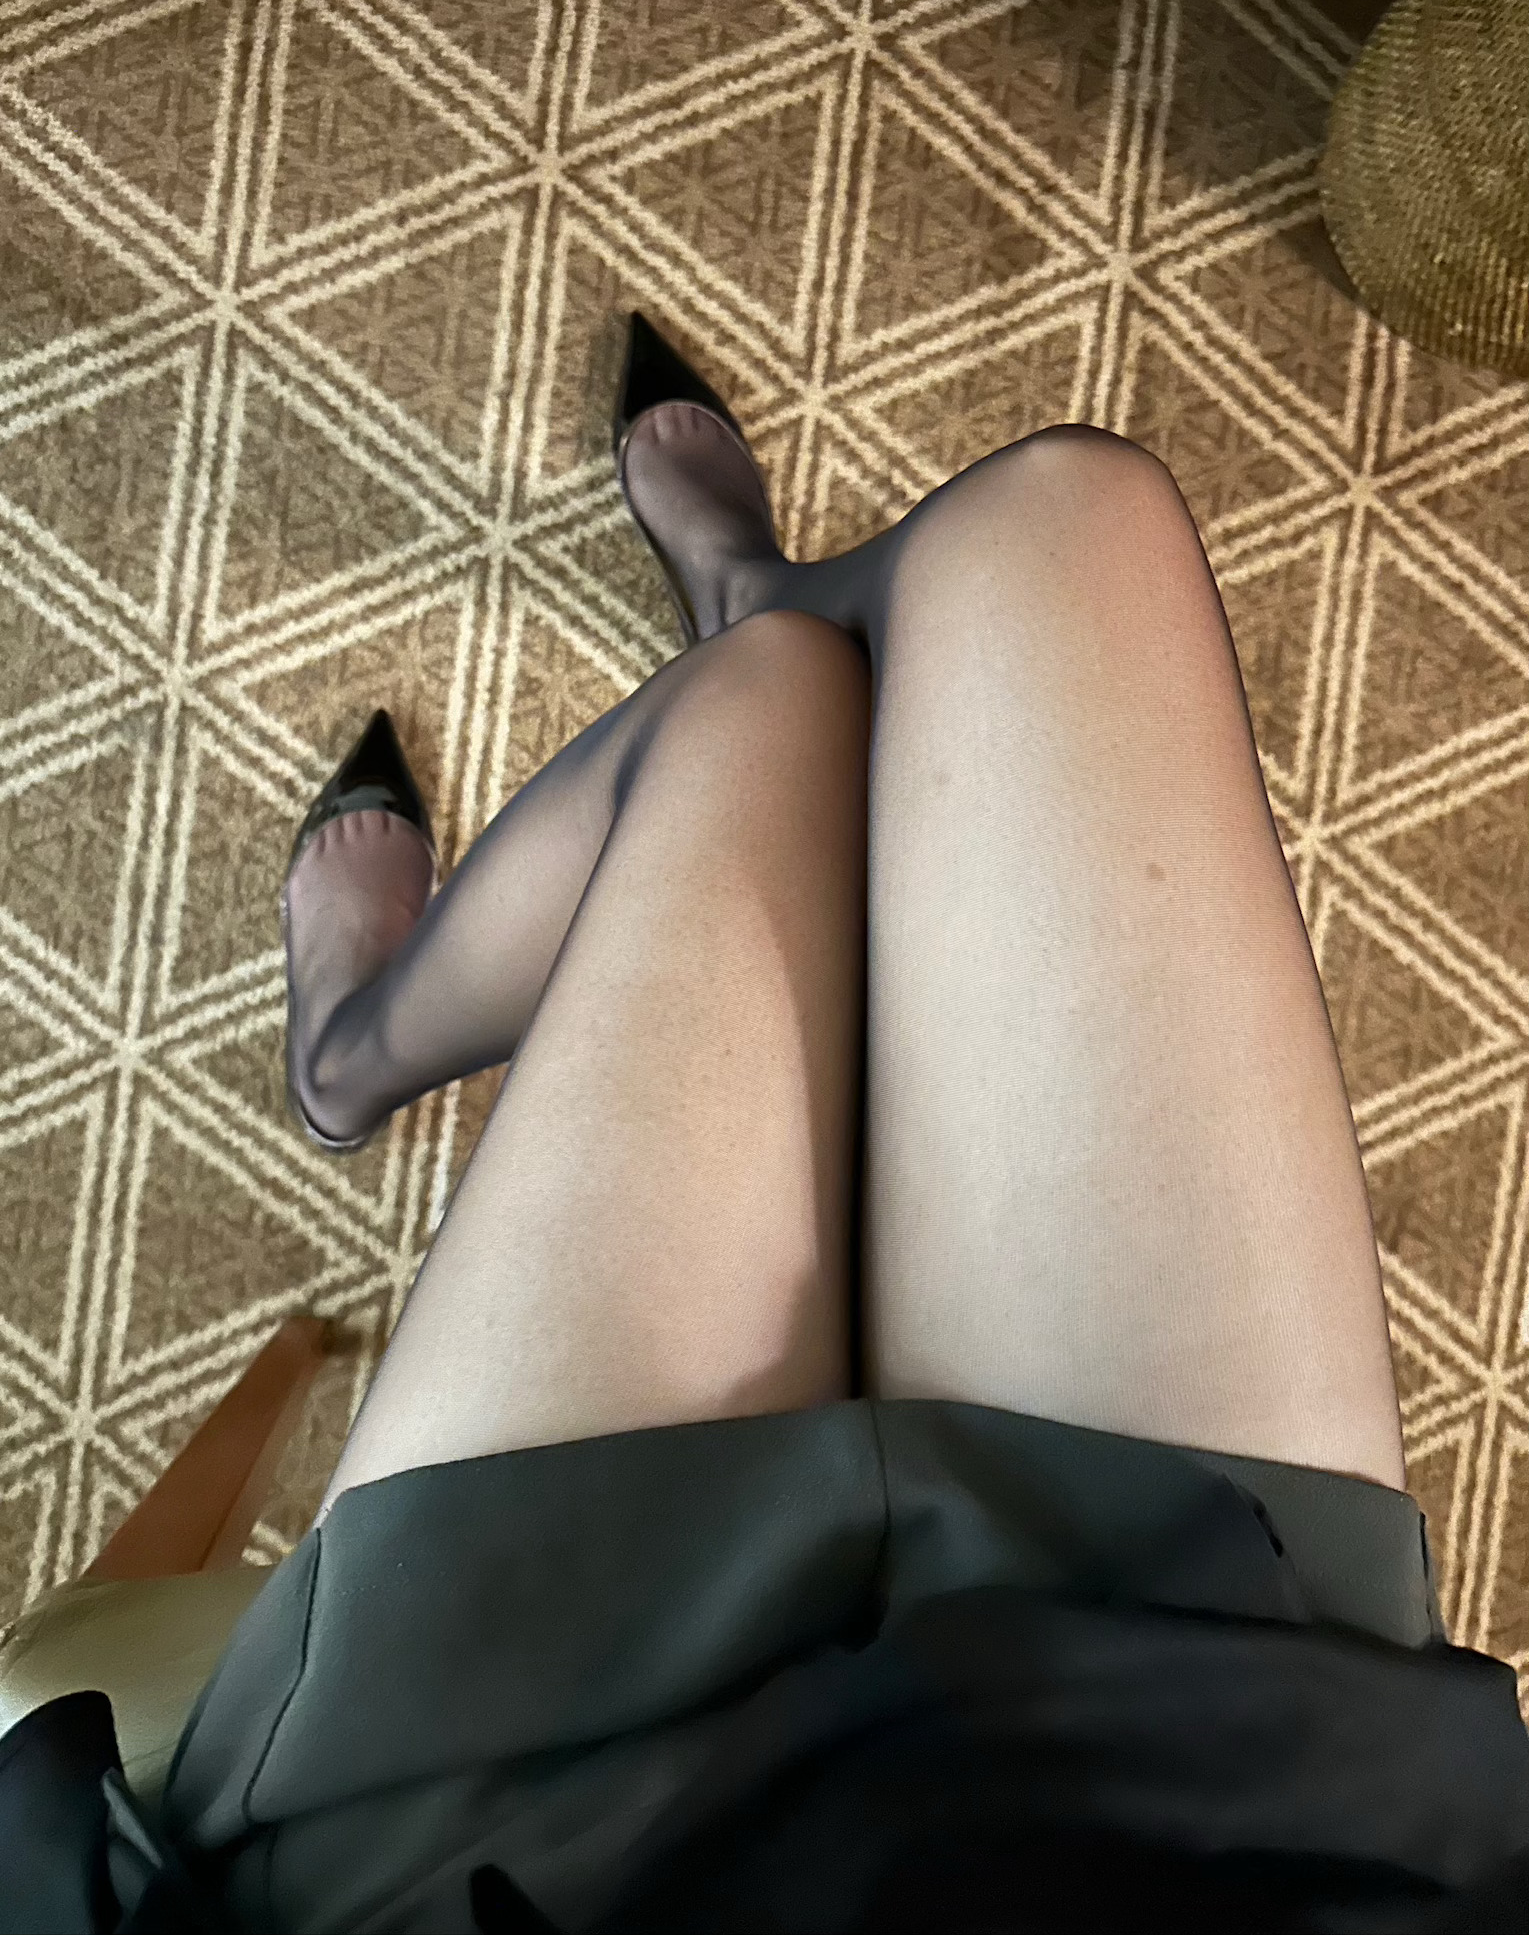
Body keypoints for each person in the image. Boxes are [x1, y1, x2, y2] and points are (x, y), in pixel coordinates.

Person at [4, 314, 1529, 1931]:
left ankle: (354, 1051)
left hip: (545, 1844)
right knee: (1065, 523)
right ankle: (741, 608)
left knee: (762, 707)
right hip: (1217, 1790)